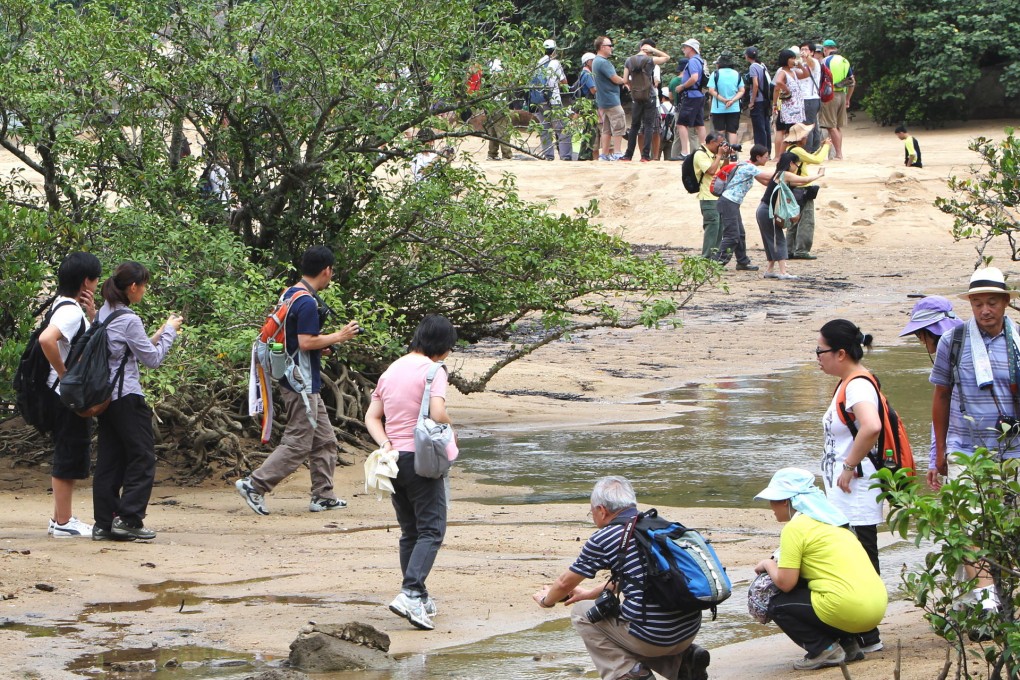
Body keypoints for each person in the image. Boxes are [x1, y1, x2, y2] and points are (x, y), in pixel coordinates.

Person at [533, 476, 710, 680]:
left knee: (582, 614)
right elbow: (639, 578)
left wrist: (546, 601)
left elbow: (565, 582)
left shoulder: (606, 536)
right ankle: (683, 663)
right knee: (627, 625)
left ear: (601, 510)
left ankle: (629, 674)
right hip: (688, 630)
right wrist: (589, 593)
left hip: (656, 637)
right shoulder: (657, 527)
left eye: (591, 511)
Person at [236, 247, 360, 516]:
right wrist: (339, 337)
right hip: (299, 383)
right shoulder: (307, 302)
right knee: (298, 442)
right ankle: (254, 485)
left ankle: (323, 495)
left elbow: (297, 339)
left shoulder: (291, 293)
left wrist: (322, 346)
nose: (331, 276)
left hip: (301, 379)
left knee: (325, 439)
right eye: (332, 271)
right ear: (326, 270)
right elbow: (305, 342)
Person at [930, 267, 1019, 624]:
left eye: (992, 302)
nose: (985, 310)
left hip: (1013, 450)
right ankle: (986, 607)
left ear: (1006, 303)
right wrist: (939, 453)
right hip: (965, 447)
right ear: (970, 304)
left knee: (1007, 528)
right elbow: (940, 395)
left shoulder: (1019, 342)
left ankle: (998, 601)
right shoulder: (953, 341)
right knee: (967, 526)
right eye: (978, 302)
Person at [364, 315, 459, 631]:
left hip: (392, 460)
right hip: (421, 460)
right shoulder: (435, 371)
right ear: (442, 346)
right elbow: (437, 412)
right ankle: (410, 592)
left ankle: (420, 597)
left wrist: (386, 442)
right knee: (432, 529)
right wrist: (451, 429)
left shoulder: (392, 369)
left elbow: (372, 417)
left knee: (410, 530)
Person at [753, 468, 888, 670]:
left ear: (785, 501)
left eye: (773, 500)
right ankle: (848, 646)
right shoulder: (834, 521)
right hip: (876, 610)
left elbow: (786, 583)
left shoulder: (795, 528)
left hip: (848, 608)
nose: (771, 507)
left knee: (775, 602)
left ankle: (825, 650)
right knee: (819, 590)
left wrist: (767, 564)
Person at [92, 262, 182, 541]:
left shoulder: (104, 314)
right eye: (143, 285)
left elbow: (130, 349)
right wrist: (169, 331)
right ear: (133, 287)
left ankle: (104, 524)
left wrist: (156, 333)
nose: (144, 290)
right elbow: (152, 359)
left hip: (106, 399)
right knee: (142, 457)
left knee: (110, 460)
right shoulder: (129, 319)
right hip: (127, 397)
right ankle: (129, 519)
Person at [815, 318, 885, 652]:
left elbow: (870, 426)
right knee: (854, 557)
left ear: (840, 352)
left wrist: (848, 466)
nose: (817, 356)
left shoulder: (857, 384)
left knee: (861, 559)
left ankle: (868, 635)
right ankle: (863, 632)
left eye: (821, 350)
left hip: (856, 490)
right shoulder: (849, 382)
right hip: (848, 491)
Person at [38, 252, 102, 538]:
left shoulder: (67, 306)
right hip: (65, 395)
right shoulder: (69, 311)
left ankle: (59, 519)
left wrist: (93, 316)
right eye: (96, 279)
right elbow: (46, 339)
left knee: (70, 449)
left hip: (61, 393)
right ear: (87, 281)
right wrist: (65, 375)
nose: (98, 283)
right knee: (69, 451)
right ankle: (64, 522)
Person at [897, 296, 963, 489]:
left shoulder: (950, 355)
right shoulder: (967, 345)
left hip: (961, 450)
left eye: (920, 336)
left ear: (929, 333)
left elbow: (944, 409)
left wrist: (936, 457)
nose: (922, 342)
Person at [754, 151, 824, 280]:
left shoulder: (779, 174)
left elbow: (800, 183)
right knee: (779, 239)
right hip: (767, 211)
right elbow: (805, 179)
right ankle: (783, 272)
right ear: (791, 163)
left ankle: (770, 270)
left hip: (763, 210)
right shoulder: (784, 174)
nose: (796, 168)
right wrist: (819, 175)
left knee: (771, 239)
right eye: (796, 165)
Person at [714, 143, 771, 272]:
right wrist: (785, 173)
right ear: (758, 157)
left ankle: (742, 262)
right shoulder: (749, 167)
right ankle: (716, 263)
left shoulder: (747, 165)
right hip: (729, 202)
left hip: (731, 202)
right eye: (766, 156)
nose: (768, 158)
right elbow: (768, 177)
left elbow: (766, 182)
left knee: (739, 234)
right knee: (732, 236)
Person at [783, 122, 831, 260]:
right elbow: (817, 160)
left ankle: (789, 249)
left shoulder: (791, 149)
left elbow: (809, 159)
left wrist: (821, 147)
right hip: (802, 188)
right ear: (800, 138)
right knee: (806, 220)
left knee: (794, 220)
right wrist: (826, 146)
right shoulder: (797, 150)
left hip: (794, 188)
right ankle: (802, 250)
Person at [621, 40, 670, 162]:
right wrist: (653, 51)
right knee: (648, 125)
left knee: (634, 125)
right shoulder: (649, 60)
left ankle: (628, 155)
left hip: (636, 97)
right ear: (647, 49)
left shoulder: (629, 60)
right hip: (650, 95)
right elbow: (666, 57)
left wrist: (633, 88)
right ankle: (645, 155)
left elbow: (625, 79)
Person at [534, 39, 571, 161]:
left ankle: (548, 155)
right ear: (554, 50)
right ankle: (565, 156)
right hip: (554, 100)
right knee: (562, 128)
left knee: (545, 128)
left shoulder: (538, 62)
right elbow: (564, 82)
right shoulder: (555, 63)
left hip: (539, 100)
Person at [592, 36, 627, 161]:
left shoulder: (596, 61)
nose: (611, 47)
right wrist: (625, 80)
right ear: (602, 47)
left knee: (606, 128)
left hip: (603, 100)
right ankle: (617, 152)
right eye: (609, 45)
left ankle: (605, 154)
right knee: (619, 123)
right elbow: (615, 78)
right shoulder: (603, 62)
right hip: (611, 99)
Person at [692, 132, 726, 257]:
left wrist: (726, 156)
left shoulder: (714, 155)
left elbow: (724, 171)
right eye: (720, 143)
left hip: (719, 197)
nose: (721, 146)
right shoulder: (700, 154)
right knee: (712, 229)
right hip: (707, 197)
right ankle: (706, 257)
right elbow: (711, 171)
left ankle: (714, 257)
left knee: (720, 229)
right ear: (712, 142)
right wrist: (719, 155)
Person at [820, 40, 855, 160]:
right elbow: (852, 82)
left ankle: (838, 154)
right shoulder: (845, 60)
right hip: (842, 95)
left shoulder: (825, 61)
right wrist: (848, 99)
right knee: (838, 126)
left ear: (825, 50)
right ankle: (839, 153)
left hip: (830, 95)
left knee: (831, 126)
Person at [674, 39, 707, 160]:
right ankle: (705, 150)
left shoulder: (693, 61)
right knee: (699, 124)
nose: (683, 49)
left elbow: (694, 77)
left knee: (681, 123)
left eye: (685, 47)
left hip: (691, 96)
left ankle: (684, 152)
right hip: (698, 95)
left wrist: (682, 86)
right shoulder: (700, 60)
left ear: (691, 49)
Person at [771, 49, 807, 158]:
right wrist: (786, 90)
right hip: (789, 108)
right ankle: (780, 156)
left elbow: (806, 74)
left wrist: (800, 66)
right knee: (788, 133)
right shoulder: (783, 72)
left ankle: (786, 155)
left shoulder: (794, 72)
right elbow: (778, 83)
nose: (794, 60)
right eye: (791, 58)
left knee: (792, 132)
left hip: (796, 107)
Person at [705, 51, 744, 147]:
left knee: (720, 131)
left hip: (718, 108)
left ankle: (721, 152)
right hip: (734, 107)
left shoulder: (715, 74)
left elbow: (711, 90)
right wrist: (732, 100)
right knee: (732, 131)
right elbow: (741, 90)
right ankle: (733, 153)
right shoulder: (736, 74)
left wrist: (723, 100)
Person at [744, 47, 772, 153]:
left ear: (747, 56)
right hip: (765, 100)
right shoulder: (762, 65)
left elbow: (755, 84)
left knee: (758, 127)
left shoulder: (753, 67)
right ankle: (767, 150)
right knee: (765, 126)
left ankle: (760, 151)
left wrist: (752, 100)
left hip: (758, 100)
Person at [798, 42, 823, 152]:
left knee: (808, 126)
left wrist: (807, 57)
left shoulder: (815, 62)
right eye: (801, 49)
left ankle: (808, 150)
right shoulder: (801, 64)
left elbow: (811, 63)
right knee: (813, 125)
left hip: (810, 98)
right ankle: (815, 148)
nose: (803, 52)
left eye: (806, 49)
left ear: (812, 52)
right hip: (805, 98)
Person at [575, 53, 599, 161]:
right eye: (593, 60)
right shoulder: (587, 74)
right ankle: (585, 154)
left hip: (585, 103)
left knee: (588, 129)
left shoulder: (583, 74)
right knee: (590, 130)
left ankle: (584, 154)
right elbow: (593, 90)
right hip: (589, 104)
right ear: (587, 62)